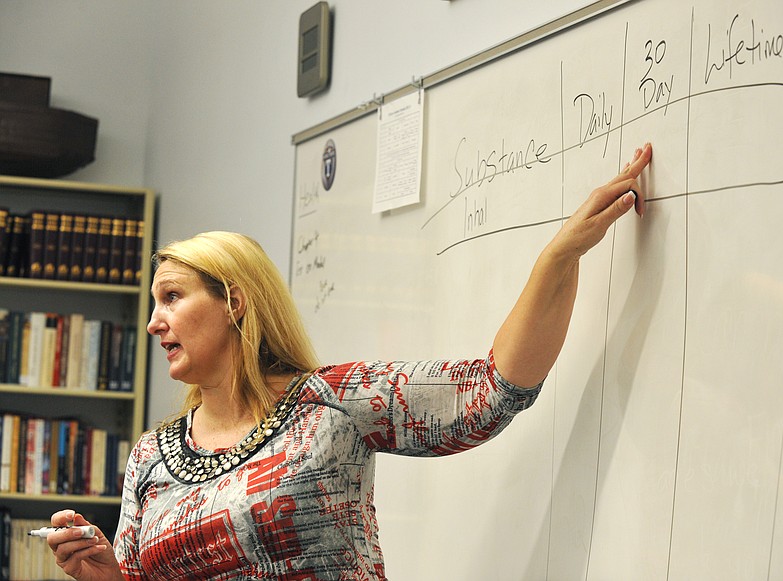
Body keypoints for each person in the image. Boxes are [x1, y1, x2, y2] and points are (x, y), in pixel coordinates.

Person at [46, 143, 652, 580]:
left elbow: (491, 392)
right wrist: (104, 574)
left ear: (234, 301)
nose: (154, 321)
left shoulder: (332, 403)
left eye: (172, 296)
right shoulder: (152, 456)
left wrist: (560, 255)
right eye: (154, 304)